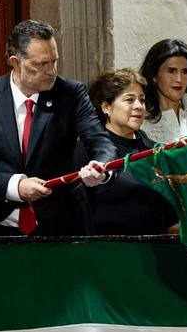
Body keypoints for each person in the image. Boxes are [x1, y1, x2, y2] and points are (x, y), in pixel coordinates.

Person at [0, 19, 115, 236]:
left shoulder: (71, 94)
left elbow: (100, 141)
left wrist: (101, 167)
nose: (52, 71)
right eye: (42, 64)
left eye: (54, 61)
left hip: (62, 226)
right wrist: (16, 187)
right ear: (16, 63)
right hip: (2, 226)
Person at [75, 68, 178, 235]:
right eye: (129, 100)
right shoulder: (86, 151)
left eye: (142, 100)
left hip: (157, 250)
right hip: (107, 251)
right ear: (106, 107)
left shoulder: (156, 152)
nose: (139, 106)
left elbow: (169, 215)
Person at [138, 39, 187, 143]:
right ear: (154, 75)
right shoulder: (140, 122)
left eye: (184, 72)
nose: (179, 79)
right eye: (172, 71)